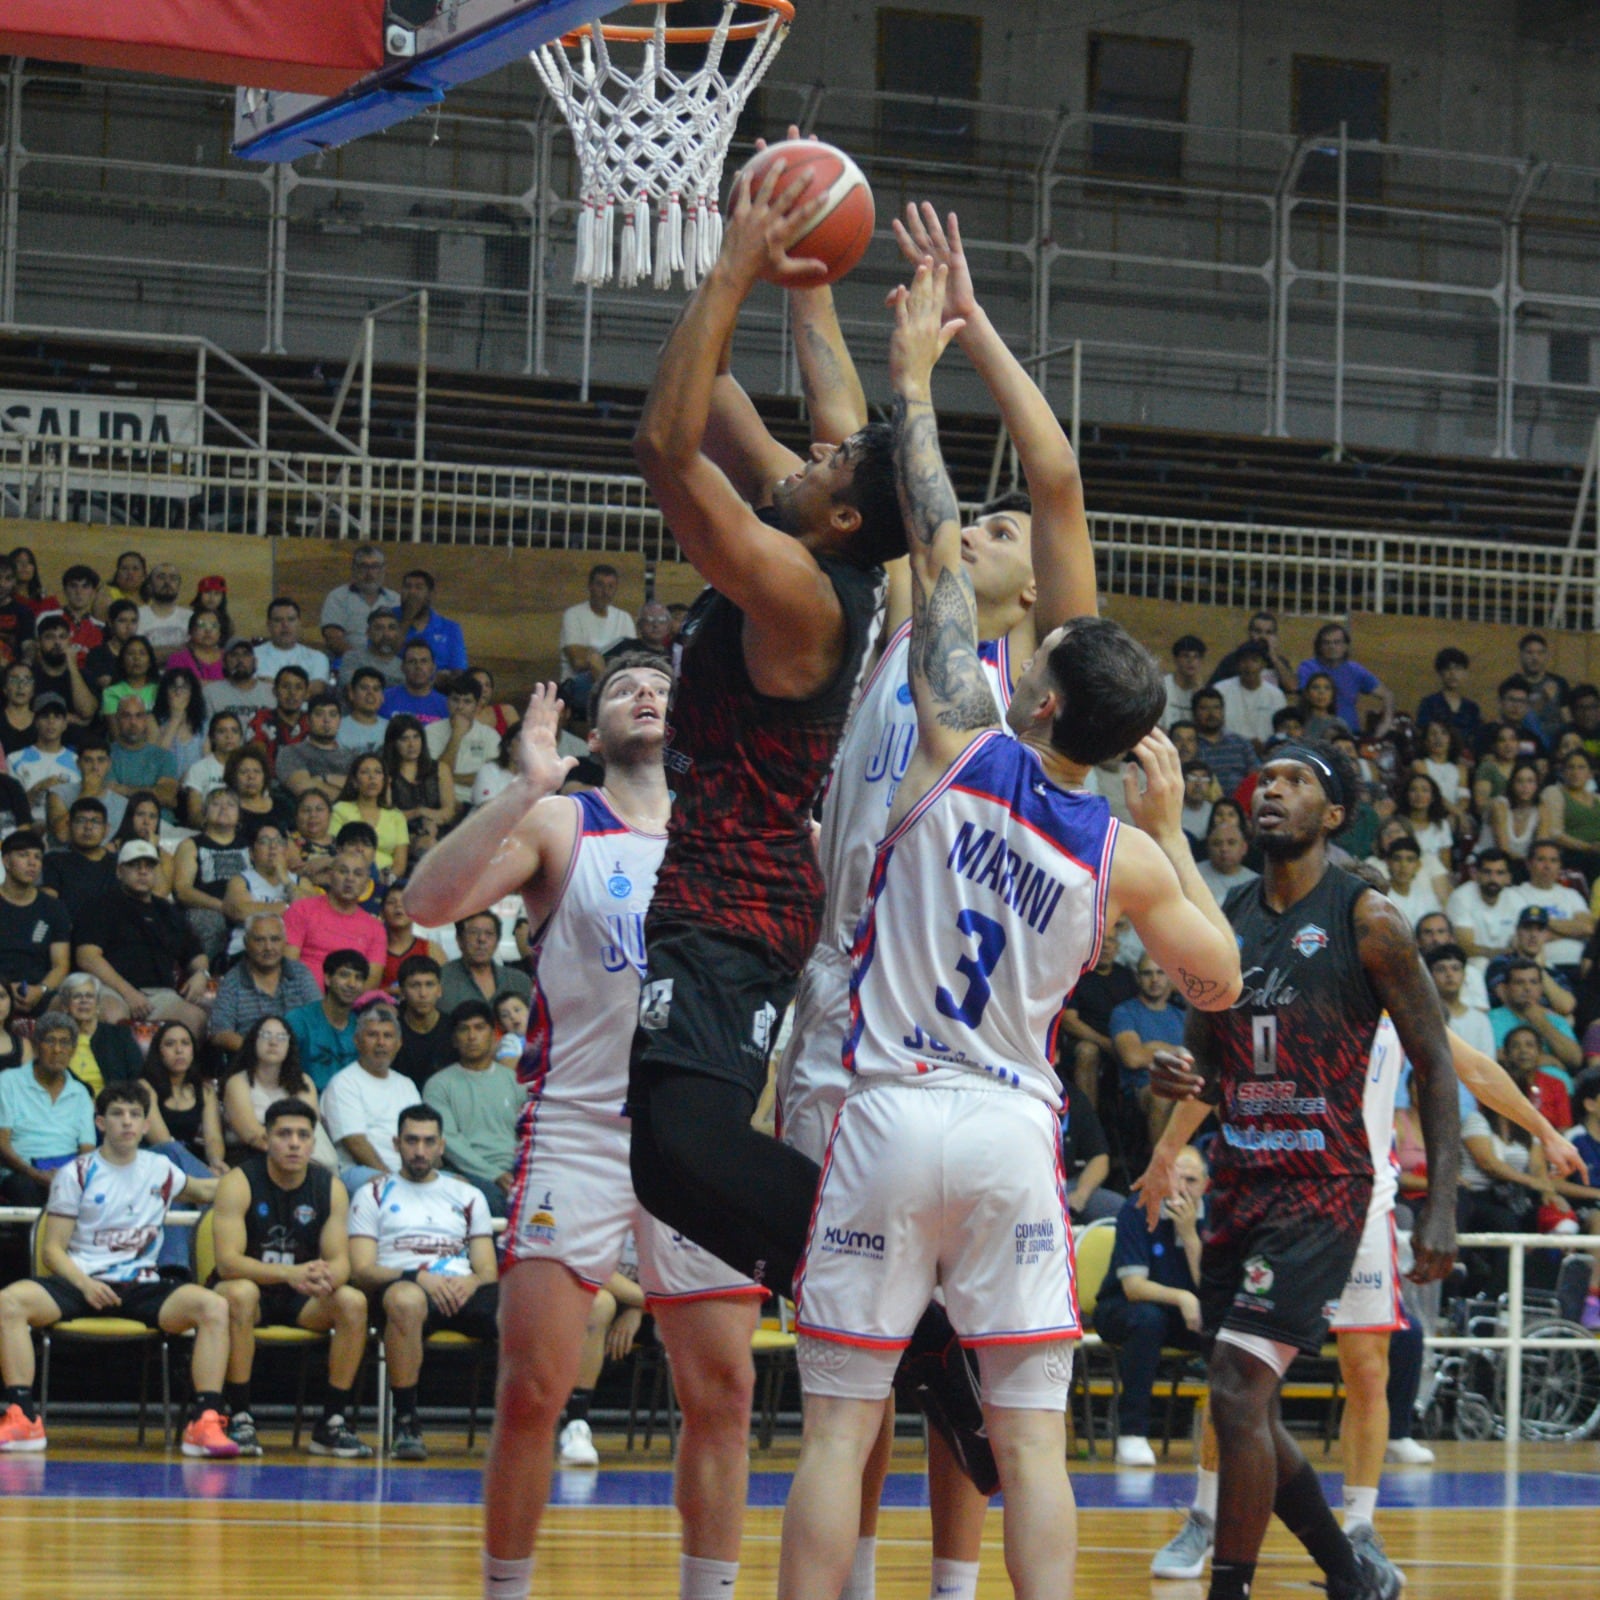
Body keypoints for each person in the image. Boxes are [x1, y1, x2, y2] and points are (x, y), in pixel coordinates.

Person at [776, 262, 1241, 1600]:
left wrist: (919, 381)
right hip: (1008, 1129)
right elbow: (1219, 979)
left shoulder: (961, 736)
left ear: (1038, 694)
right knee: (1032, 1446)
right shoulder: (1122, 852)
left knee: (837, 1427)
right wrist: (1173, 831)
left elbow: (935, 537)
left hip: (882, 1098)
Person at [406, 666, 769, 1600]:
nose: (645, 693)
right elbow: (426, 904)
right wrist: (524, 785)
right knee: (532, 1389)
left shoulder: (733, 833)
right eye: (621, 688)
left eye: (663, 684)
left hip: (705, 1131)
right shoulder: (563, 821)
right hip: (579, 1127)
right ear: (593, 734)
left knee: (723, 1393)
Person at [1135, 737, 1461, 1600]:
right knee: (1240, 1399)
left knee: (1238, 1387)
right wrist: (1179, 1079)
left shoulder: (1368, 918)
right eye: (1266, 779)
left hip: (1323, 1186)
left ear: (1336, 814)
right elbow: (1209, 1062)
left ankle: (1231, 1586)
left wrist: (1442, 1207)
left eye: (1295, 781)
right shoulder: (1231, 915)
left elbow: (1435, 1063)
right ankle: (1348, 1575)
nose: (1270, 791)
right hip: (1240, 1179)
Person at [0, 1080, 236, 1456]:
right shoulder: (76, 1173)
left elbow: (207, 1190)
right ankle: (22, 1417)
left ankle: (205, 1421)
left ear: (146, 1125)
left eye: (135, 1114)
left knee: (214, 1307)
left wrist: (259, 1176)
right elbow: (52, 1251)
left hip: (141, 1284)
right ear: (100, 1122)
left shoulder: (160, 1168)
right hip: (82, 1281)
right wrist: (85, 1283)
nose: (127, 1121)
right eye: (117, 1114)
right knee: (9, 1302)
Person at [210, 1099, 371, 1457]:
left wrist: (327, 1277)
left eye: (303, 1135)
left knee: (353, 1301)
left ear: (313, 1142)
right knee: (239, 1293)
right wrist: (289, 1273)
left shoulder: (330, 1187)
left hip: (303, 1294)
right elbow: (227, 1263)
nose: (294, 1143)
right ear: (266, 1139)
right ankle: (239, 1416)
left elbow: (341, 1262)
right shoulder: (238, 1182)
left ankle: (331, 1423)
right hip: (253, 1290)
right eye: (284, 1134)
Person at [347, 1103, 499, 1459]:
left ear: (441, 1146)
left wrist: (471, 1283)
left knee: (520, 1309)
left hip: (460, 1288)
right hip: (404, 1285)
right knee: (406, 1300)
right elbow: (362, 1270)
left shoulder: (468, 1195)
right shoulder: (372, 1193)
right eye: (411, 1140)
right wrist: (417, 1277)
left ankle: (519, 1425)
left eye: (429, 1141)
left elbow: (488, 1270)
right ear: (396, 1143)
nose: (420, 1150)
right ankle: (406, 1423)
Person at [1093, 1145, 1209, 1467]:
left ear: (1205, 1185)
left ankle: (1225, 1438)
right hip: (1123, 1307)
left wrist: (1190, 1237)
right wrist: (1183, 1297)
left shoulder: (1215, 1215)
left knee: (1231, 1327)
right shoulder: (1138, 1207)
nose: (1181, 1188)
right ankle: (1132, 1433)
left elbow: (1212, 1292)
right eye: (1174, 1178)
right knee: (1148, 1320)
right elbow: (1134, 1287)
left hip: (1187, 1316)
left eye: (1191, 1180)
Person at [72, 839, 211, 1034]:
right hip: (112, 989)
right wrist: (128, 993)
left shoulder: (167, 910)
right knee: (111, 1015)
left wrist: (201, 974)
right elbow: (87, 957)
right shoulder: (100, 905)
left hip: (160, 994)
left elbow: (196, 953)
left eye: (149, 866)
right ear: (119, 871)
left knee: (195, 1019)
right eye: (134, 865)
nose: (143, 872)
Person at [421, 1000, 521, 1217]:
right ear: (454, 1039)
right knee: (491, 1200)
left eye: (479, 1028)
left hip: (517, 1168)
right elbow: (449, 1142)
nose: (472, 1036)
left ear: (494, 1035)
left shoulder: (514, 1080)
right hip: (468, 1173)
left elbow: (529, 1131)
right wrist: (495, 1174)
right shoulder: (439, 1085)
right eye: (464, 1029)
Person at [0, 1012, 95, 1206]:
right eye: (50, 1041)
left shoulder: (80, 1093)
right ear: (36, 1046)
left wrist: (70, 1176)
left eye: (65, 1042)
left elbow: (87, 1149)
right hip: (22, 1172)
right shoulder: (8, 1082)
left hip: (68, 1172)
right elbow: (3, 1144)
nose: (57, 1049)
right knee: (25, 1187)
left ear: (73, 1050)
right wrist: (35, 1174)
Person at [320, 1003, 417, 1190]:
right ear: (357, 1041)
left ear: (399, 1043)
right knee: (390, 1188)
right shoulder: (343, 1083)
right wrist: (396, 1180)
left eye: (388, 1036)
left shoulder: (407, 1084)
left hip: (408, 1172)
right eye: (372, 1035)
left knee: (460, 1185)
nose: (381, 1042)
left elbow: (421, 1135)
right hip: (360, 1171)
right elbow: (355, 1143)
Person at [210, 912, 321, 1058]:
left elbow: (318, 1020)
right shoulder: (232, 981)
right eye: (259, 940)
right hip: (252, 1061)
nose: (268, 947)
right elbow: (219, 1033)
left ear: (285, 941)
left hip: (299, 1058)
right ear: (246, 943)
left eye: (275, 939)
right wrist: (262, 1052)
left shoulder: (300, 973)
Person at [1112, 955, 1189, 1150]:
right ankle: (1160, 1165)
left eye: (1160, 973)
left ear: (1169, 977)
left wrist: (1155, 1046)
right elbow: (1133, 1058)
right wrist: (1176, 1051)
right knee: (1162, 1095)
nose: (1154, 979)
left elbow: (1196, 1058)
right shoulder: (1124, 1012)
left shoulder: (1182, 1016)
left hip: (1184, 1082)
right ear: (1138, 978)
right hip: (1143, 1087)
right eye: (1147, 973)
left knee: (1221, 1093)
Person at [220, 1015, 324, 1159]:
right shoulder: (237, 1082)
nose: (273, 1042)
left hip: (301, 1157)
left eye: (281, 1037)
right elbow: (251, 1133)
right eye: (265, 1035)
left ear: (290, 1045)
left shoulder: (303, 1081)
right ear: (254, 1041)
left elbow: (311, 1127)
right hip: (250, 1155)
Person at [171, 787, 251, 966]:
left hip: (245, 909)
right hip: (206, 909)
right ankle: (204, 973)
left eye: (230, 804)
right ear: (205, 814)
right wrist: (222, 906)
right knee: (211, 922)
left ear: (239, 815)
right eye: (216, 804)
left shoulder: (250, 846)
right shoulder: (190, 845)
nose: (223, 808)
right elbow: (183, 890)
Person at [282, 852, 386, 989]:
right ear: (330, 876)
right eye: (343, 871)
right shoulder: (301, 909)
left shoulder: (375, 928)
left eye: (358, 874)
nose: (350, 878)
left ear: (366, 883)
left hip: (350, 999)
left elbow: (372, 980)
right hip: (302, 996)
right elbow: (288, 965)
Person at [0, 830, 71, 1019]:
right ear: (6, 861)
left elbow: (60, 965)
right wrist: (5, 989)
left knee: (71, 1003)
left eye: (38, 857)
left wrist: (41, 990)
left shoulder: (53, 908)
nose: (32, 862)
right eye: (23, 855)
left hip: (38, 991)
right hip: (1, 986)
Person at [285, 950, 368, 1090]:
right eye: (344, 975)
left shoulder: (361, 1027)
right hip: (305, 1098)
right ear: (327, 978)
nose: (352, 983)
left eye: (358, 978)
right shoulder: (298, 1021)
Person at [1297, 623, 1394, 737]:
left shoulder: (1355, 670)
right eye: (1326, 643)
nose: (1332, 647)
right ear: (1319, 646)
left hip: (1349, 734)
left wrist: (1386, 721)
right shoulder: (1308, 667)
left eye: (1337, 642)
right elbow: (1301, 695)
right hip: (1315, 732)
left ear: (1345, 646)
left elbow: (1387, 695)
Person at [53, 973, 142, 1095]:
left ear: (98, 1004)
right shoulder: (56, 1040)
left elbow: (138, 1077)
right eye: (77, 996)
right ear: (65, 1007)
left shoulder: (120, 1035)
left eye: (89, 996)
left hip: (115, 1102)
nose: (84, 1001)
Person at [558, 563, 633, 708]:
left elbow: (630, 661)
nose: (605, 592)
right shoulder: (573, 615)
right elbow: (578, 662)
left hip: (616, 684)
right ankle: (611, 701)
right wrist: (600, 661)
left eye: (611, 586)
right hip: (576, 686)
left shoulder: (624, 618)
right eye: (600, 585)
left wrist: (595, 656)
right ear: (590, 586)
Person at [1445, 847, 1524, 975]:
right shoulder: (1461, 897)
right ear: (1476, 874)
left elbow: (1523, 939)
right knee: (1480, 963)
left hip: (1508, 963)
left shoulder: (1516, 899)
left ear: (1508, 878)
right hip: (1472, 964)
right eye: (1487, 872)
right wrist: (1502, 953)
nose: (1493, 878)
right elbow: (1465, 947)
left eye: (1500, 873)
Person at [331, 753, 409, 878]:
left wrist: (386, 879)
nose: (372, 777)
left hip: (386, 878)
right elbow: (334, 851)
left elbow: (400, 864)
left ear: (384, 781)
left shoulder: (396, 815)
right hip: (349, 876)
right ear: (355, 781)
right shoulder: (340, 809)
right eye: (365, 772)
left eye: (378, 772)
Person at [427, 673, 500, 806]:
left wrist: (450, 777)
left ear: (477, 706)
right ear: (447, 702)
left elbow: (491, 777)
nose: (460, 706)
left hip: (477, 803)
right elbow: (435, 775)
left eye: (467, 701)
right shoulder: (430, 731)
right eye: (455, 700)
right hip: (440, 802)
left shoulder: (490, 736)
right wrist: (456, 735)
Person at [439, 910, 531, 1014]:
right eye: (473, 932)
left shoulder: (519, 981)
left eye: (489, 933)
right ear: (459, 940)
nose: (482, 939)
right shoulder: (441, 979)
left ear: (497, 941)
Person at [321, 544, 401, 662]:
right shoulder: (338, 597)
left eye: (375, 567)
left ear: (384, 569)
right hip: (347, 661)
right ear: (354, 569)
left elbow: (402, 637)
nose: (370, 574)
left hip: (387, 661)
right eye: (364, 567)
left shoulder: (395, 599)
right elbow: (333, 639)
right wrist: (362, 660)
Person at [383, 713, 456, 832]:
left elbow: (449, 813)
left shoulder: (440, 769)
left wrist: (426, 816)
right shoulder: (385, 773)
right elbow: (386, 818)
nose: (412, 744)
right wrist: (418, 812)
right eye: (404, 739)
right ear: (393, 743)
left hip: (439, 832)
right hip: (400, 834)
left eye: (416, 737)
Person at [392, 954, 456, 1089]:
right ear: (402, 992)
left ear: (439, 990)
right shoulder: (391, 1030)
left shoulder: (453, 1028)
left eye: (429, 985)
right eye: (415, 985)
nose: (423, 994)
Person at [105, 696, 178, 813]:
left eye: (138, 716)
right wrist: (153, 791)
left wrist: (125, 790)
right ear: (117, 719)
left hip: (162, 822)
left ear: (145, 720)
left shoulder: (164, 757)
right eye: (126, 716)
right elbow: (108, 794)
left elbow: (166, 797)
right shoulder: (104, 755)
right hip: (119, 820)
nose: (133, 722)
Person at [276, 693, 352, 805]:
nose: (326, 720)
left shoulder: (352, 757)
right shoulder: (291, 752)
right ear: (308, 720)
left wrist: (324, 778)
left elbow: (363, 788)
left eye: (332, 714)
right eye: (319, 714)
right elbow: (304, 789)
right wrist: (348, 793)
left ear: (340, 721)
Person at [1214, 642, 1287, 753]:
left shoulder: (1276, 695)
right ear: (1237, 664)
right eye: (1244, 661)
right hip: (1230, 751)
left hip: (1268, 752)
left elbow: (1282, 730)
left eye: (1254, 660)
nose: (1249, 666)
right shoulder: (1221, 690)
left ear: (1263, 665)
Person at [1539, 747, 1600, 873]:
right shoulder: (1554, 792)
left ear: (1590, 774)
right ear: (1563, 772)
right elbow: (1554, 833)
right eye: (1570, 767)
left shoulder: (1597, 798)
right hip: (1571, 855)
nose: (1575, 772)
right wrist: (1588, 847)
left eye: (1581, 767)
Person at [393, 569, 467, 673]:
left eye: (419, 588)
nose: (412, 592)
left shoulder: (450, 628)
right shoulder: (388, 617)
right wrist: (407, 618)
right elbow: (384, 656)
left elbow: (458, 670)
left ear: (431, 594)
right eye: (407, 587)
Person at [30, 614, 98, 723]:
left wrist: (73, 667)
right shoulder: (29, 675)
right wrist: (69, 718)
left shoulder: (85, 675)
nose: (57, 642)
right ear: (38, 643)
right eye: (50, 637)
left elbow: (87, 712)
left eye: (62, 637)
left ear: (69, 641)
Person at [1191, 688, 1259, 797]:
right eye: (1204, 708)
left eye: (1216, 708)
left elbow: (1256, 777)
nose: (1211, 714)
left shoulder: (1241, 743)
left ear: (1223, 711)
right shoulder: (1191, 745)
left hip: (1240, 804)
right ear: (1194, 713)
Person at [255, 598, 329, 694]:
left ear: (299, 623)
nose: (285, 625)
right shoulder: (253, 656)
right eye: (278, 620)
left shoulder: (317, 658)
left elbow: (316, 690)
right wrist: (300, 688)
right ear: (269, 625)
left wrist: (271, 684)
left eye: (291, 619)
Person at [1415, 647, 1481, 746]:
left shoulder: (1472, 708)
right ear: (1440, 673)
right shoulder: (1429, 703)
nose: (1452, 673)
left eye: (1458, 668)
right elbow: (1423, 733)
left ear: (1465, 673)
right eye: (1447, 668)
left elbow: (1477, 738)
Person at [204, 638, 275, 727]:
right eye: (234, 655)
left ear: (255, 662)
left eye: (246, 655)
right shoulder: (211, 693)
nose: (240, 660)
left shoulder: (271, 692)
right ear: (224, 663)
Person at [249, 665, 311, 765]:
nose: (292, 693)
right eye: (285, 686)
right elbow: (255, 759)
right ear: (275, 691)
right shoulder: (261, 718)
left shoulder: (312, 722)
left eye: (298, 688)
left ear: (307, 693)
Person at [380, 639, 449, 725]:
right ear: (402, 667)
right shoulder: (384, 699)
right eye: (412, 661)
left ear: (433, 668)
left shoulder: (446, 705)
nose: (418, 666)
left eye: (424, 661)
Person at [83, 598, 138, 694]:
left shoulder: (142, 653)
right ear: (110, 623)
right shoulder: (97, 655)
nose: (129, 627)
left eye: (133, 621)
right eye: (122, 621)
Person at [1197, 817, 1258, 902]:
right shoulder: (1193, 875)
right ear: (1208, 848)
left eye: (1231, 843)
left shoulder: (1255, 883)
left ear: (1244, 848)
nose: (1224, 849)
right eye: (1217, 843)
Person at [337, 665, 390, 753]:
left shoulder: (391, 729)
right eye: (364, 688)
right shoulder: (336, 727)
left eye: (376, 689)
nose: (370, 693)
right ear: (351, 694)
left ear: (382, 697)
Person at [166, 608, 225, 683]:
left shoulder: (228, 657)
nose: (208, 630)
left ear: (220, 632)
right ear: (191, 631)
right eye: (202, 625)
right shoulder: (178, 659)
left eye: (214, 625)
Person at [1162, 634, 1207, 729]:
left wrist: (1199, 698)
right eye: (1185, 656)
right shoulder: (1162, 687)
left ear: (1201, 661)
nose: (1191, 661)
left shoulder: (1202, 691)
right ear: (1176, 659)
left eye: (1196, 657)